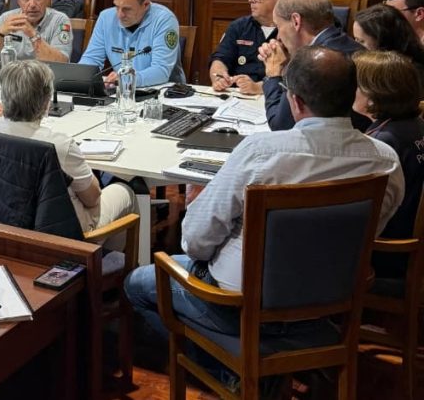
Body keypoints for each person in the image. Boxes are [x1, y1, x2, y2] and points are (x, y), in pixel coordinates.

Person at [124, 46, 403, 366]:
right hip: (333, 300)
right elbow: (366, 232)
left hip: (239, 304)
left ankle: (230, 367)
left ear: (294, 101)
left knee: (138, 282)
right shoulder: (386, 162)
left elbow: (197, 243)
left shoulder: (261, 152)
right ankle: (286, 351)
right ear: (352, 96)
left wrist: (201, 209)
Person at [0, 61, 137, 244]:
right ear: (47, 102)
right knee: (125, 192)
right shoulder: (60, 145)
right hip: (63, 234)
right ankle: (113, 264)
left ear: (3, 96)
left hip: (3, 219)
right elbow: (93, 198)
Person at [353, 51, 424, 278]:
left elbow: (364, 212)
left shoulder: (381, 144)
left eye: (354, 86)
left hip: (390, 253)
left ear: (373, 97)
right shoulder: (416, 124)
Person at [259, 0, 363, 131]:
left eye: (279, 26)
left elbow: (281, 126)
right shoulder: (352, 47)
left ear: (296, 21)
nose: (278, 37)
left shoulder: (311, 63)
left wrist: (273, 74)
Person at [79, 0, 184, 86]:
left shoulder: (164, 20)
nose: (119, 15)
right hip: (121, 90)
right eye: (116, 7)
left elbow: (161, 71)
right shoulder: (106, 18)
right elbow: (91, 58)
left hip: (163, 92)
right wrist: (79, 76)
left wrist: (127, 79)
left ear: (146, 4)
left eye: (127, 9)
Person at [208, 0, 290, 95]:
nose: (251, 0)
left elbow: (296, 76)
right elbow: (220, 59)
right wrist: (219, 78)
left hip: (276, 96)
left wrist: (258, 88)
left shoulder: (293, 30)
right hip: (237, 94)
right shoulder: (239, 26)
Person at [353, 3, 424, 91]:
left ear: (383, 40)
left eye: (361, 41)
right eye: (355, 39)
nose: (355, 46)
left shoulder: (407, 74)